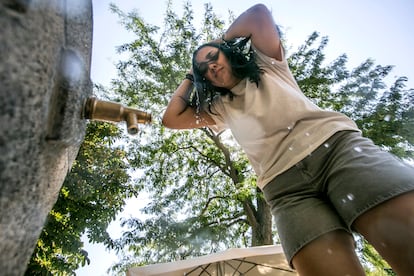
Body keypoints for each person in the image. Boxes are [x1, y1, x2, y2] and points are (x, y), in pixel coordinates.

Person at [162, 3, 414, 275]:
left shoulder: (268, 65)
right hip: (288, 191)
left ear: (228, 54)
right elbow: (171, 118)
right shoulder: (219, 108)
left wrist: (219, 41)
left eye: (213, 57)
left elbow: (258, 15)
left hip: (337, 151)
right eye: (203, 69)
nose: (210, 66)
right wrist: (190, 76)